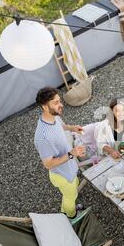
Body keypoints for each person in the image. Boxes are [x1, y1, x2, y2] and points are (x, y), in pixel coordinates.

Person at [34, 87, 86, 219]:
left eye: (59, 101)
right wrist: (71, 154)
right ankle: (71, 216)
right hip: (62, 174)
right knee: (70, 197)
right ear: (45, 107)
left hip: (69, 167)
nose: (61, 104)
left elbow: (59, 126)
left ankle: (65, 210)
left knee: (72, 191)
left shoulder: (52, 117)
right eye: (56, 102)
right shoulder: (42, 137)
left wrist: (71, 127)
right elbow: (48, 164)